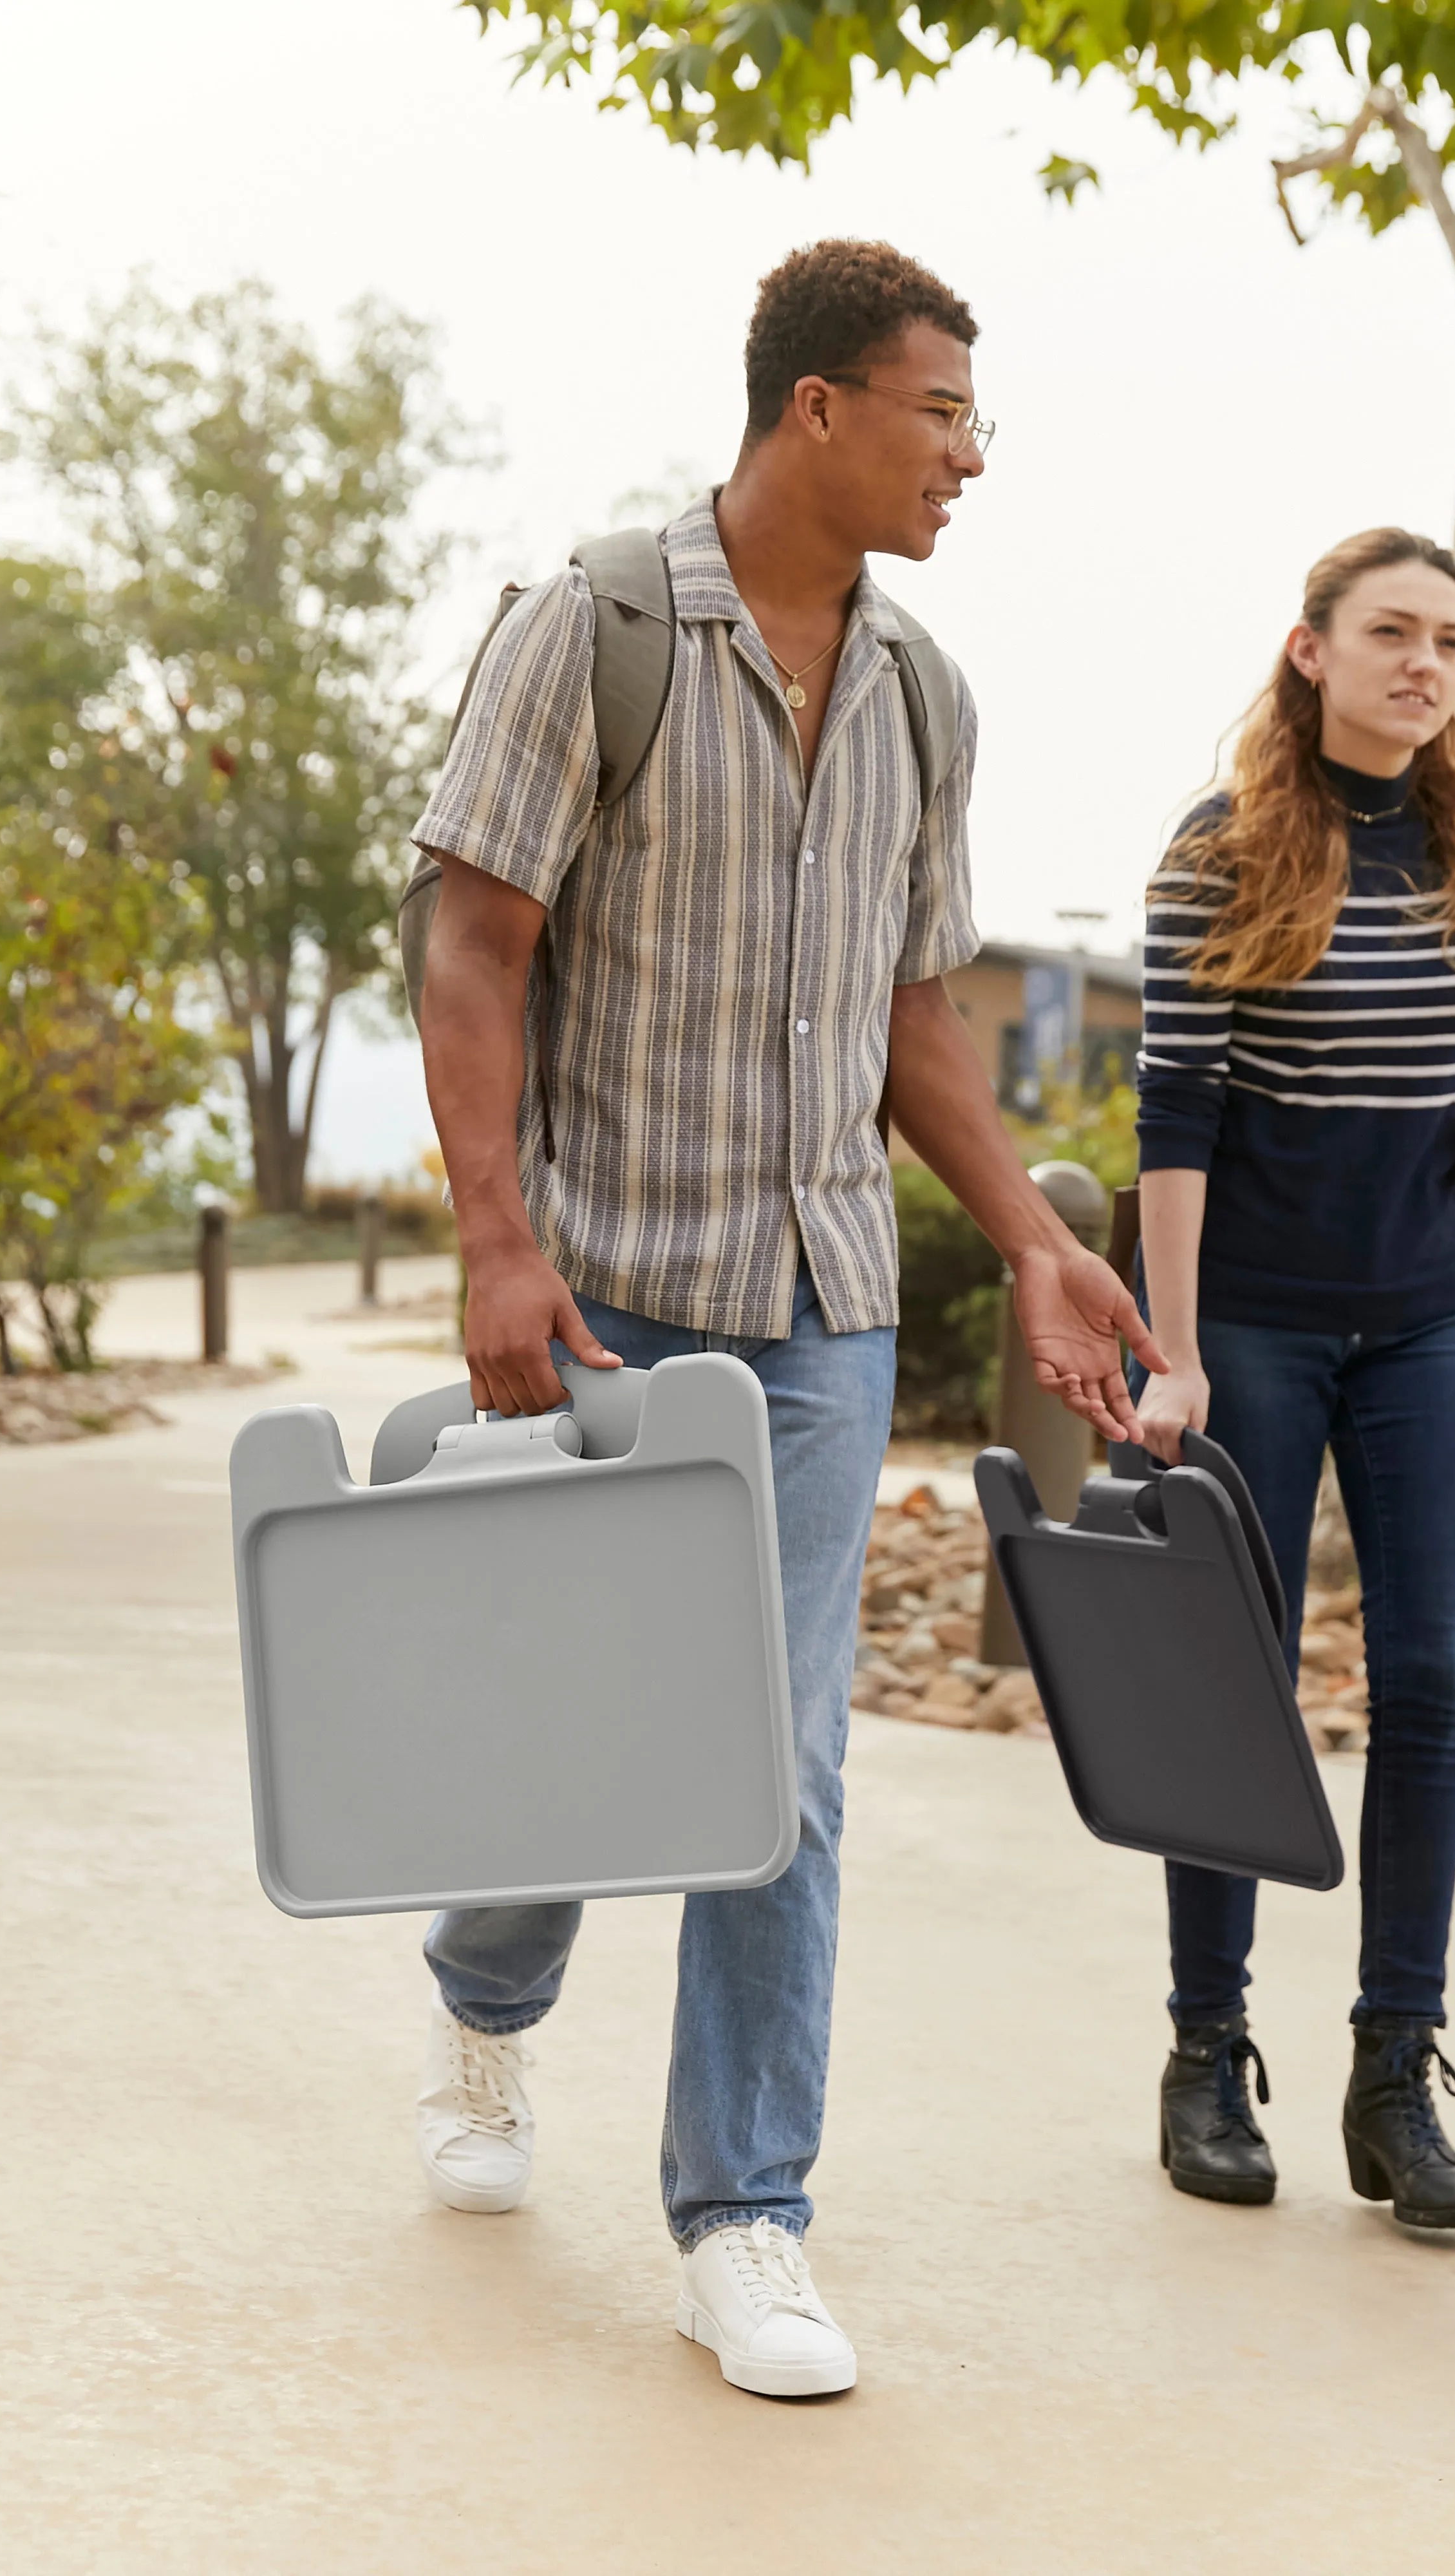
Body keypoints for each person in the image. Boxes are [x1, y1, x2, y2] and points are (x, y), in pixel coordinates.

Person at [407, 239, 1162, 2399]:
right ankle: (485, 2009)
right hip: (610, 1287)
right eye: (943, 414)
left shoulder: (927, 689)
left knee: (780, 1764)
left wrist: (1023, 1230)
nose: (970, 460)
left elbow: (916, 1019)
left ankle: (745, 2213)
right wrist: (495, 1239)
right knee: (580, 1743)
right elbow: (476, 943)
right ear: (816, 407)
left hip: (822, 1309)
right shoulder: (600, 631)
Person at [1129, 526, 1455, 2228]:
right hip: (1252, 1324)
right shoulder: (1218, 849)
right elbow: (1177, 1116)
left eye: (1448, 640)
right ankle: (1208, 2049)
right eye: (1391, 631)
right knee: (1233, 1684)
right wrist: (1172, 1355)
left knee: (1433, 1680)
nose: (1424, 664)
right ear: (1311, 650)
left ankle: (1397, 2073)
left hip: (1428, 1319)